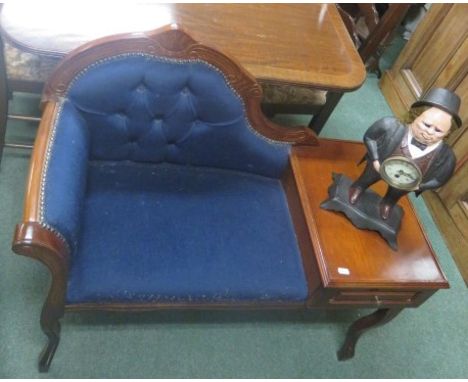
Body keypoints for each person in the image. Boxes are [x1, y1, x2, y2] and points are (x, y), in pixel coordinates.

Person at [348, 87, 461, 220]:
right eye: (426, 125)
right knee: (367, 177)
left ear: (448, 133)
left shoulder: (447, 156)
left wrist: (420, 185)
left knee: (395, 193)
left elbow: (440, 179)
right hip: (379, 165)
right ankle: (358, 187)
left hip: (407, 181)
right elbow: (369, 137)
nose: (430, 132)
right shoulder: (389, 126)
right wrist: (375, 159)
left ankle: (388, 203)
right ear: (415, 116)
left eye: (438, 131)